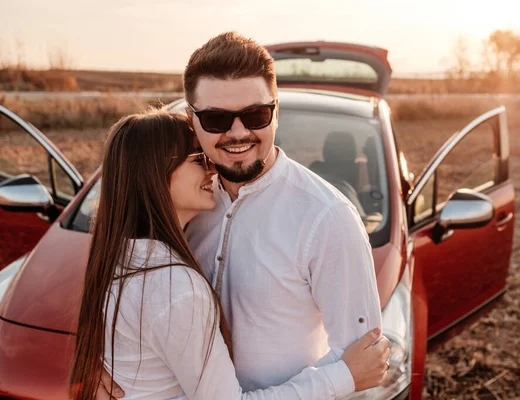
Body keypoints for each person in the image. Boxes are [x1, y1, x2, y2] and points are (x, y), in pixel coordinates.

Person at [98, 32, 385, 398]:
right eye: (217, 119)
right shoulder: (179, 202)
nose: (238, 133)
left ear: (276, 112)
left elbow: (360, 365)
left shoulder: (327, 219)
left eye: (255, 115)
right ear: (191, 120)